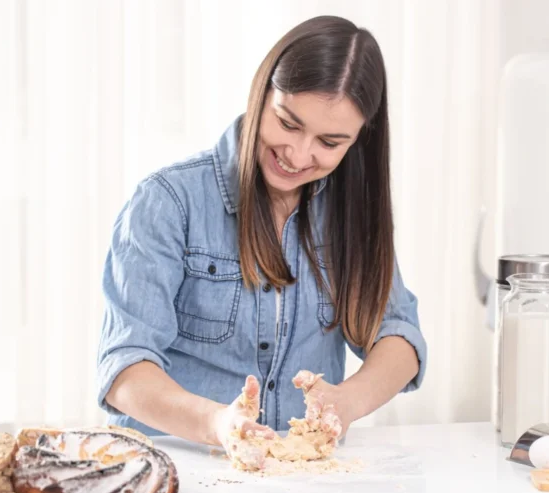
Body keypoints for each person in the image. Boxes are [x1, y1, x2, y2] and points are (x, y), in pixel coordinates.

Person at [95, 15, 427, 460]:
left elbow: (399, 335)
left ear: (357, 141)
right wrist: (217, 424)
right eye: (288, 123)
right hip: (177, 467)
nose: (298, 154)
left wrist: (346, 403)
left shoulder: (350, 213)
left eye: (329, 142)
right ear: (263, 93)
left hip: (299, 482)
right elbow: (124, 370)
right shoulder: (169, 200)